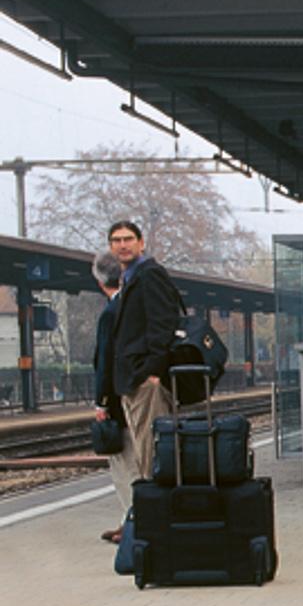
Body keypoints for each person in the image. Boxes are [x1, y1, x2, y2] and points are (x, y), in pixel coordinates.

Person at [107, 219, 185, 487]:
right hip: (133, 378)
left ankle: (157, 516)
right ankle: (150, 513)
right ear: (110, 247)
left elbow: (162, 325)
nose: (122, 245)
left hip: (144, 380)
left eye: (128, 239)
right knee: (144, 451)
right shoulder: (130, 279)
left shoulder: (149, 274)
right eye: (116, 240)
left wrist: (152, 372)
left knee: (152, 453)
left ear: (141, 243)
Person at [90, 250, 138, 540]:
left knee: (124, 464)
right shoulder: (131, 306)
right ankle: (133, 520)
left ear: (99, 282)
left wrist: (101, 402)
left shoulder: (110, 313)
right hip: (137, 394)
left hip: (119, 399)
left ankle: (133, 522)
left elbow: (105, 361)